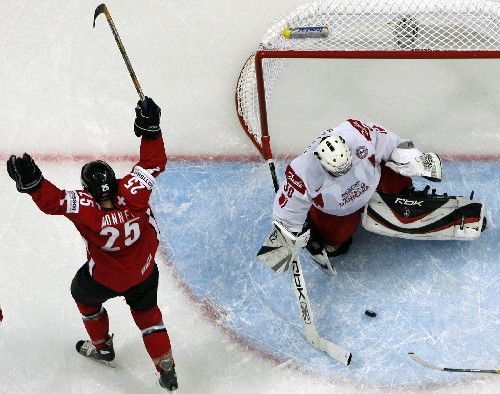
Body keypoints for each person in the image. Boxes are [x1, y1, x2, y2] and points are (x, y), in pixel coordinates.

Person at [6, 97, 178, 391]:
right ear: (114, 182)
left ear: (88, 189)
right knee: (149, 316)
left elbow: (55, 202)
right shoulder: (132, 191)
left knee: (82, 294)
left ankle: (102, 347)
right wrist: (151, 130)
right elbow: (153, 163)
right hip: (145, 270)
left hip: (106, 277)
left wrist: (34, 184)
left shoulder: (86, 207)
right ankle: (168, 372)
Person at [265, 118, 443, 275]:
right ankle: (316, 228)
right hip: (338, 211)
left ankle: (401, 194)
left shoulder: (357, 133)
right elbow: (284, 214)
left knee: (399, 175)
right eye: (338, 173)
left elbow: (392, 144)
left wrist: (418, 161)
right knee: (335, 244)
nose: (344, 175)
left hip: (373, 182)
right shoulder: (303, 172)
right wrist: (288, 242)